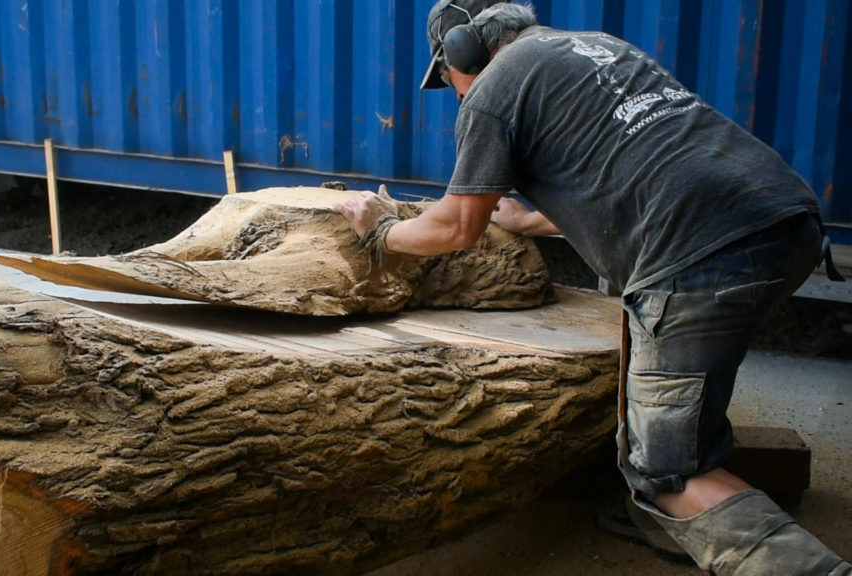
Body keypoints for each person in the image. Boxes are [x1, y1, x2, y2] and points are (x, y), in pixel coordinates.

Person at [333, 1, 850, 574]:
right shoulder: (598, 46)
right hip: (789, 222)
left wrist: (379, 229)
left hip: (701, 259)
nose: (454, 92)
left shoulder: (492, 89)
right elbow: (630, 168)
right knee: (663, 367)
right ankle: (672, 496)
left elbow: (457, 227)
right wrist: (531, 221)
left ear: (464, 49)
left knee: (666, 473)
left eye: (448, 77)